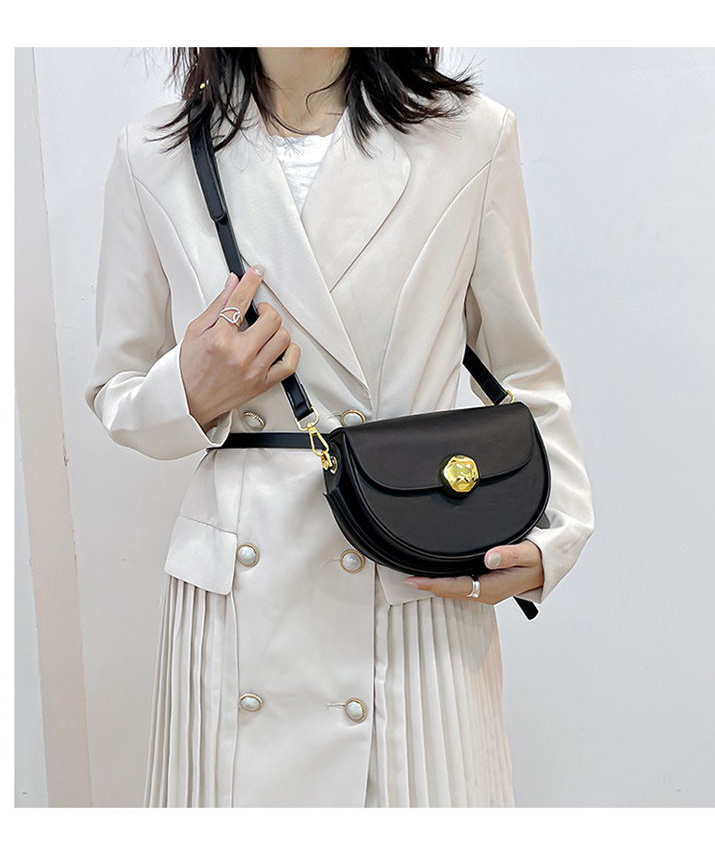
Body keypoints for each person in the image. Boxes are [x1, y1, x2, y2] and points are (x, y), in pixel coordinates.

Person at [85, 47, 595, 808]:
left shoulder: (470, 137)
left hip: (411, 570)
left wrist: (557, 535)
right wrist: (190, 390)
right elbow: (116, 390)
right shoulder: (153, 153)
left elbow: (520, 370)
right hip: (235, 612)